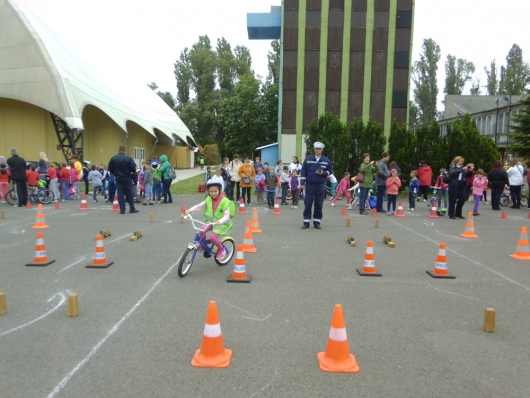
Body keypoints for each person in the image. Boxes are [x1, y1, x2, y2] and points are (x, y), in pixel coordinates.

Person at [184, 180, 235, 260]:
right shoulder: (208, 199)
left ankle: (222, 249)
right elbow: (199, 206)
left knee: (212, 238)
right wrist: (190, 210)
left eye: (215, 191)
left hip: (222, 224)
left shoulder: (224, 201)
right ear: (208, 191)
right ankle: (203, 245)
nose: (213, 193)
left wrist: (219, 222)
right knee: (201, 231)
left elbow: (226, 216)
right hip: (211, 222)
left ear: (220, 191)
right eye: (211, 191)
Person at [301, 142, 332, 229]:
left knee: (319, 204)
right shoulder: (308, 159)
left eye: (319, 149)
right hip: (310, 185)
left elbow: (329, 171)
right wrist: (302, 183)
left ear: (322, 150)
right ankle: (306, 222)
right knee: (307, 204)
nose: (317, 150)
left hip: (320, 185)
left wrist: (323, 173)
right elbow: (303, 172)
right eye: (316, 149)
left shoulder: (326, 160)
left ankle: (317, 222)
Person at [108, 146, 139, 214]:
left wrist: (115, 172)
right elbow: (133, 169)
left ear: (118, 150)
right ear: (125, 150)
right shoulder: (128, 158)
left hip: (118, 177)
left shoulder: (113, 158)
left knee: (120, 193)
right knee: (129, 192)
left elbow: (110, 168)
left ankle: (122, 209)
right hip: (127, 177)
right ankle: (132, 208)